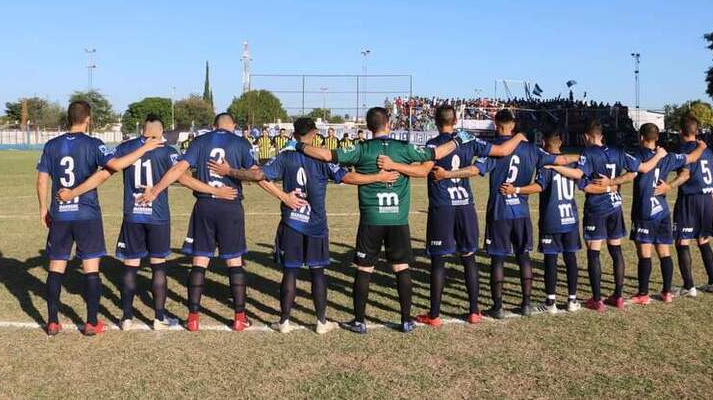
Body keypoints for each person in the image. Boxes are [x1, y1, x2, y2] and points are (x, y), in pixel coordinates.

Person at [293, 107, 505, 333]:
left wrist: (298, 145)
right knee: (401, 267)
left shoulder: (360, 149)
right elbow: (433, 157)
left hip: (371, 219)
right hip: (398, 219)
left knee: (364, 269)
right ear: (389, 124)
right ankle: (406, 320)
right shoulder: (403, 148)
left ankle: (359, 321)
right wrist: (456, 142)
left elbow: (326, 155)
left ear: (369, 127)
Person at [208, 117, 400, 334]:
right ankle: (321, 322)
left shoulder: (285, 156)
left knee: (290, 272)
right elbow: (348, 177)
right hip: (316, 224)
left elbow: (259, 174)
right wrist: (378, 177)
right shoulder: (321, 158)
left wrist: (230, 171)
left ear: (294, 134)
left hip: (292, 222)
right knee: (318, 273)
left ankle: (284, 322)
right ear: (314, 133)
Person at [56, 115, 237, 330]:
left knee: (131, 265)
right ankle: (159, 317)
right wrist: (215, 190)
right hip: (158, 217)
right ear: (159, 132)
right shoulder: (168, 150)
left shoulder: (127, 148)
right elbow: (184, 179)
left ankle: (126, 318)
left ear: (143, 130)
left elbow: (106, 172)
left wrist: (74, 192)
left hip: (133, 215)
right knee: (158, 265)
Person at [383, 106, 525, 326]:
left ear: (435, 121)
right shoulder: (469, 141)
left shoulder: (434, 144)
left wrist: (393, 167)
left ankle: (435, 315)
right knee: (469, 257)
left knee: (439, 260)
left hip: (443, 207)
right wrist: (519, 136)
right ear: (456, 119)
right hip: (465, 206)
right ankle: (474, 311)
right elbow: (504, 151)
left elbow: (421, 171)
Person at [36, 101, 162, 336]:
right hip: (87, 214)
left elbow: (42, 179)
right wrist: (144, 148)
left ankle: (52, 321)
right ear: (88, 119)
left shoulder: (51, 145)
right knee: (91, 269)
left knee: (56, 268)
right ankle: (92, 322)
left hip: (60, 214)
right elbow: (116, 165)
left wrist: (44, 209)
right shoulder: (94, 144)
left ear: (68, 117)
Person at [139, 113, 255, 332]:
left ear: (213, 126)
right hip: (230, 205)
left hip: (204, 206)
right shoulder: (241, 142)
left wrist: (155, 190)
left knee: (199, 260)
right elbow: (255, 173)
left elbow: (178, 171)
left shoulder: (200, 141)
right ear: (234, 126)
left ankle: (193, 317)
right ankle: (240, 317)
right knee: (234, 261)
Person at [547, 119, 667, 312]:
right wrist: (613, 183)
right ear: (601, 136)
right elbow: (639, 171)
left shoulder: (588, 152)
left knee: (594, 251)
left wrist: (554, 166)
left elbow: (578, 174)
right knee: (615, 250)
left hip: (597, 208)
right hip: (616, 206)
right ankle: (618, 296)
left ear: (586, 137)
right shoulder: (618, 151)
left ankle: (597, 299)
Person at [472, 111, 577, 317]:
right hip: (521, 210)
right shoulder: (531, 149)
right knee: (523, 256)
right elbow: (561, 159)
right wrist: (586, 157)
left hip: (500, 210)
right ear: (513, 125)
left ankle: (498, 307)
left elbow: (478, 169)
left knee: (498, 259)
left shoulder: (495, 149)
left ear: (496, 125)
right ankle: (527, 304)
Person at [498, 126, 598, 314]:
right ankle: (572, 300)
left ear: (544, 143)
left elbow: (539, 186)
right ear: (561, 143)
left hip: (552, 219)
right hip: (570, 218)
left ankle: (551, 302)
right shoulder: (572, 166)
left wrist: (516, 190)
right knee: (570, 258)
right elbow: (584, 181)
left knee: (551, 259)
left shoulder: (546, 165)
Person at [627, 123, 706, 304]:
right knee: (664, 251)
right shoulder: (668, 157)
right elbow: (692, 158)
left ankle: (643, 294)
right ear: (657, 138)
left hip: (644, 210)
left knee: (644, 253)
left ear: (641, 137)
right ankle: (667, 292)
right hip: (662, 210)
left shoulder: (637, 154)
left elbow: (632, 173)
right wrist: (701, 146)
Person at [673, 114, 713, 296]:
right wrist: (712, 192)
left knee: (682, 241)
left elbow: (685, 174)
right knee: (703, 239)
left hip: (689, 199)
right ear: (697, 131)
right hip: (706, 199)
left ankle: (689, 286)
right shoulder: (707, 150)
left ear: (680, 132)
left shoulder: (684, 149)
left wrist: (668, 186)